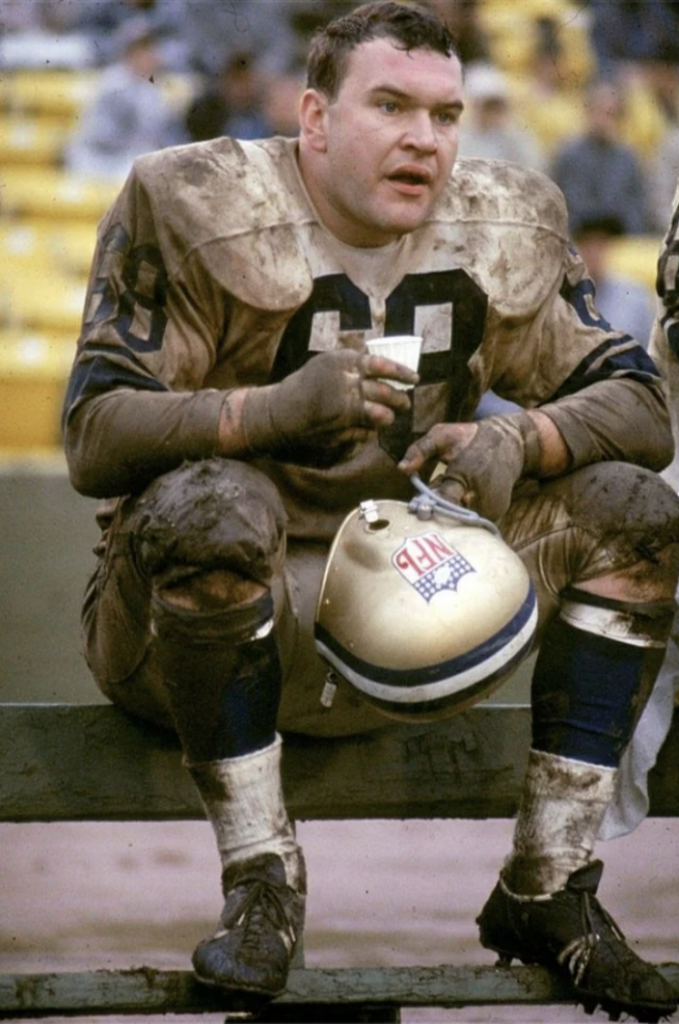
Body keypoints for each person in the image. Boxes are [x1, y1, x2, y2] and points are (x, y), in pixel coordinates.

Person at [62, 3, 679, 1021]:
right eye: (388, 106)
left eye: (443, 114)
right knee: (215, 505)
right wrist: (262, 412)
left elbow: (643, 409)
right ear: (312, 118)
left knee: (636, 513)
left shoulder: (505, 219)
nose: (422, 139)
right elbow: (92, 432)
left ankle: (547, 882)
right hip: (195, 620)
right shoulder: (192, 198)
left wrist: (517, 439)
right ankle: (262, 880)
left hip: (408, 600)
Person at [550, 77, 652, 236]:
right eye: (600, 112)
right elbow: (568, 206)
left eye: (612, 114)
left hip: (620, 238)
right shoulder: (569, 155)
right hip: (579, 239)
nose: (604, 121)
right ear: (588, 112)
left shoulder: (628, 159)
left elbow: (636, 209)